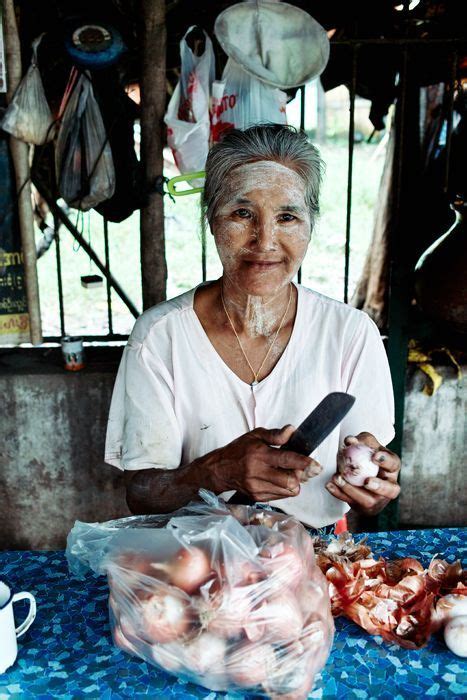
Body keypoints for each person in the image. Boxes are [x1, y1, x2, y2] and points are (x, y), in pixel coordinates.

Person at [105, 124, 401, 532]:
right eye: (242, 214)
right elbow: (140, 494)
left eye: (287, 217)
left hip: (316, 556)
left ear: (310, 225)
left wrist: (375, 484)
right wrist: (217, 471)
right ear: (212, 220)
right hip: (199, 557)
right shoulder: (161, 337)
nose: (265, 241)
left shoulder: (350, 334)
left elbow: (369, 487)